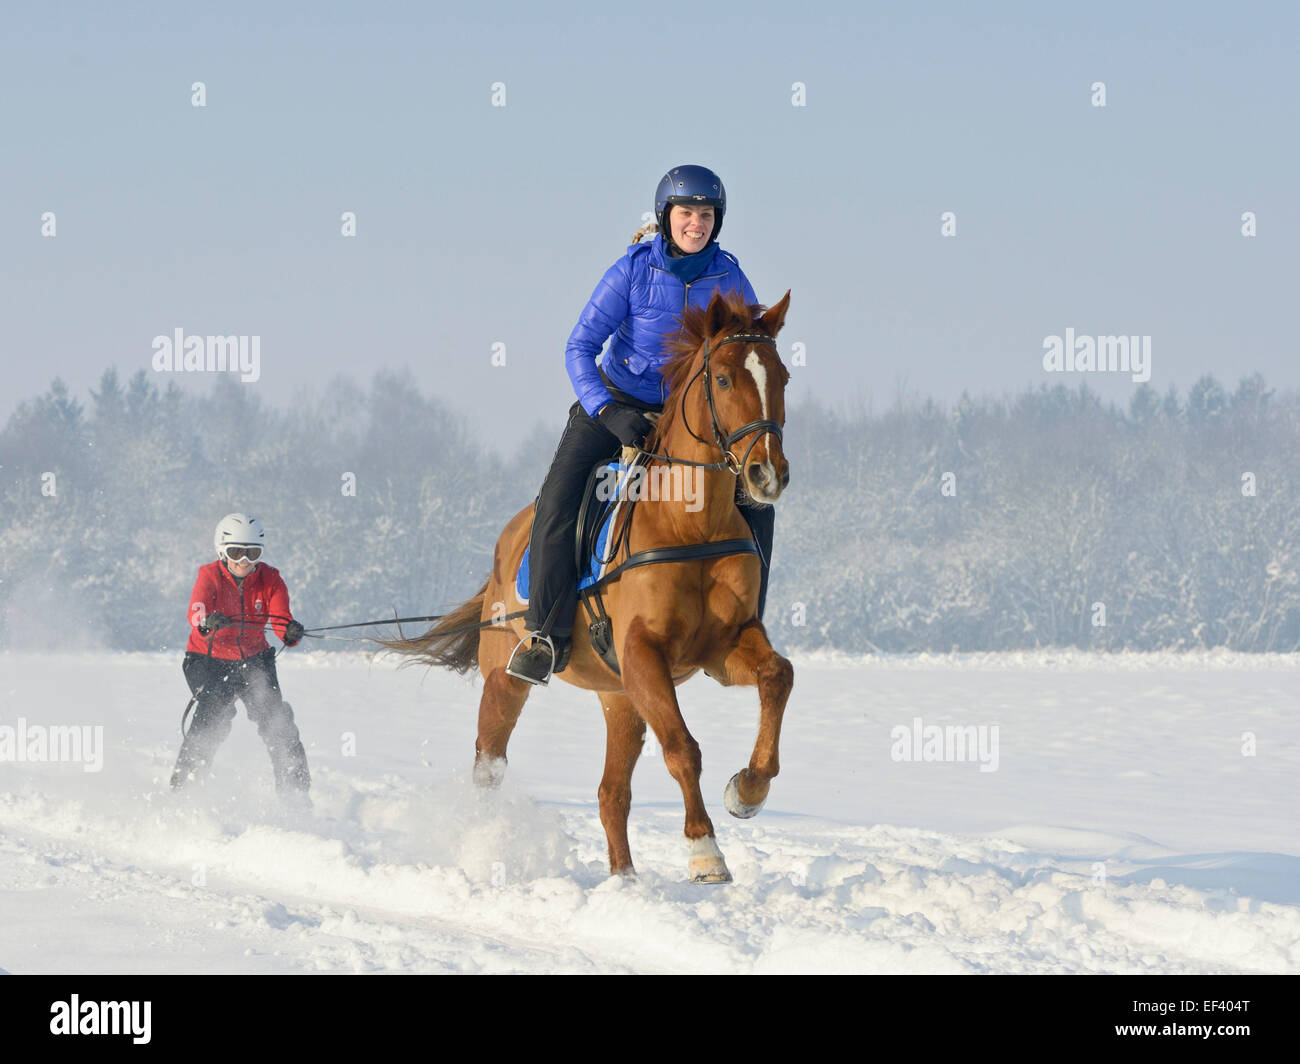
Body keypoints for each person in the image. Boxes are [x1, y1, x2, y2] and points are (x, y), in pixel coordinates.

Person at [507, 164, 776, 686]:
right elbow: (579, 347)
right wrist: (608, 411)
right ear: (666, 218)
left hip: (691, 422)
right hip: (613, 405)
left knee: (756, 500)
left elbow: (748, 354)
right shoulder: (630, 270)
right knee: (560, 501)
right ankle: (544, 634)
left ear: (716, 222)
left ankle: (747, 623)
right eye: (685, 213)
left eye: (705, 215)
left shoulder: (732, 279)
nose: (695, 223)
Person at [171, 512, 311, 801]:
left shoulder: (271, 578)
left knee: (278, 723)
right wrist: (207, 621)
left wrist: (290, 632)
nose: (244, 562)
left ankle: (296, 797)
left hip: (254, 660)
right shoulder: (209, 575)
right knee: (214, 713)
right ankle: (184, 793)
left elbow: (280, 616)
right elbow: (195, 611)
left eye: (252, 553)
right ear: (222, 551)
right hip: (207, 659)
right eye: (236, 553)